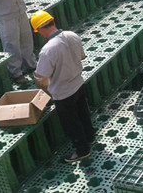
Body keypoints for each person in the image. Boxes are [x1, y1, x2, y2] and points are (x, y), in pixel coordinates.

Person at [30, 10, 95, 163]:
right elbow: (82, 56)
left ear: (40, 29)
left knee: (71, 124)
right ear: (52, 21)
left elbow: (43, 76)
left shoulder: (47, 50)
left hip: (63, 93)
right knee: (83, 113)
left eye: (38, 31)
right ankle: (90, 138)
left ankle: (82, 150)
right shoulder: (72, 35)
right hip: (78, 83)